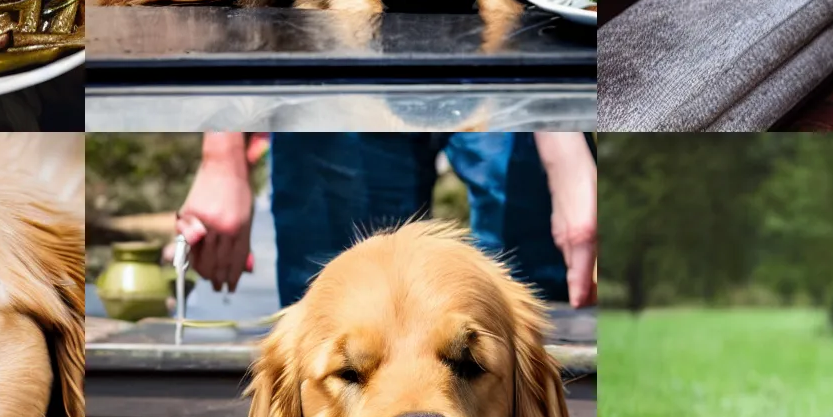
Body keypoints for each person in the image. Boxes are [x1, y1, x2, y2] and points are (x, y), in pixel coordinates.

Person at [175, 132, 596, 309]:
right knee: (338, 314)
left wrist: (565, 148)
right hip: (332, 58)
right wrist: (222, 157)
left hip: (505, 32)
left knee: (539, 296)